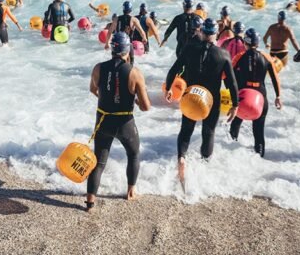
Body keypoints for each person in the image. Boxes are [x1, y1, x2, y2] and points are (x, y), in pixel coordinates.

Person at [165, 18, 238, 183]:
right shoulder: (223, 55)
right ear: (215, 34)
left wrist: (169, 88)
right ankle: (205, 165)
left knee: (186, 130)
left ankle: (181, 158)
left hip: (191, 96)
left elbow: (174, 70)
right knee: (208, 132)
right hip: (211, 100)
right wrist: (235, 104)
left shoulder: (190, 48)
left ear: (202, 32)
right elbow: (231, 83)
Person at [85, 32, 151, 211]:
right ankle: (131, 191)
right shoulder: (135, 73)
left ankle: (90, 201)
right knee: (134, 154)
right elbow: (146, 107)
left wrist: (109, 98)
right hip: (124, 123)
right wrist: (134, 100)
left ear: (112, 49)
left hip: (103, 120)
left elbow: (93, 89)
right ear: (128, 49)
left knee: (98, 162)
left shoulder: (98, 68)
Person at [229, 28, 282, 157]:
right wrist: (278, 96)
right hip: (260, 98)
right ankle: (260, 160)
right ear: (258, 43)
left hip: (243, 98)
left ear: (245, 42)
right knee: (258, 132)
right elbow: (275, 77)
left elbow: (229, 75)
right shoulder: (266, 57)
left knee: (235, 125)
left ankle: (230, 154)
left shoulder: (239, 56)